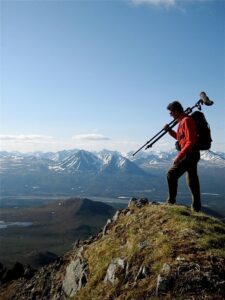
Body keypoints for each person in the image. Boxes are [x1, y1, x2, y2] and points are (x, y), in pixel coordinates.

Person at [164, 101, 201, 212]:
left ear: (176, 111)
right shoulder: (182, 121)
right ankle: (196, 207)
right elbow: (180, 139)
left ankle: (171, 201)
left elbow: (190, 141)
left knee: (171, 174)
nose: (170, 115)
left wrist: (179, 156)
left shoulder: (187, 121)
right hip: (192, 154)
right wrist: (169, 131)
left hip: (189, 155)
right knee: (192, 179)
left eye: (171, 112)